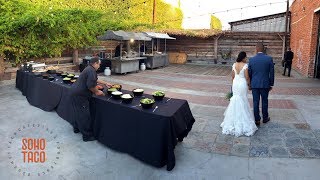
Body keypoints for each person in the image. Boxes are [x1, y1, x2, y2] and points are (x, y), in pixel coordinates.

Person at [71, 57, 112, 142]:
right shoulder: (91, 70)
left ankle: (76, 128)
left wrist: (106, 83)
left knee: (78, 112)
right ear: (96, 63)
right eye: (99, 64)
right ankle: (87, 136)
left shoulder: (89, 68)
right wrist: (97, 92)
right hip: (80, 95)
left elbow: (95, 79)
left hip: (74, 92)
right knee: (84, 115)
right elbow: (90, 85)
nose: (99, 66)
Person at [220, 52, 258, 137]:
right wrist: (249, 85)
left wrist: (233, 84)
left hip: (235, 83)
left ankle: (231, 121)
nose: (246, 59)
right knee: (242, 99)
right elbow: (247, 77)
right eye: (246, 57)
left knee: (235, 99)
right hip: (242, 83)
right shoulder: (245, 65)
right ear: (243, 57)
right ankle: (242, 120)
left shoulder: (234, 64)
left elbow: (232, 76)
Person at [248, 43, 275, 126]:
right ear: (263, 49)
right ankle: (265, 118)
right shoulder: (269, 59)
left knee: (255, 102)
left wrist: (250, 84)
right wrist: (271, 84)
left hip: (255, 84)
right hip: (265, 84)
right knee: (265, 101)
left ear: (256, 49)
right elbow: (272, 73)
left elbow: (249, 73)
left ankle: (257, 120)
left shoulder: (251, 60)